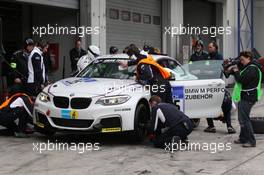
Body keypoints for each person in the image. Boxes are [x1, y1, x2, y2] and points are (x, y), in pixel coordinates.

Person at [232, 51, 262, 147]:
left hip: (248, 97)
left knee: (245, 119)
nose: (241, 62)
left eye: (242, 60)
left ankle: (251, 141)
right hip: (245, 95)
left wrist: (236, 71)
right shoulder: (249, 67)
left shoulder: (252, 68)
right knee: (242, 118)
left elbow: (242, 80)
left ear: (248, 58)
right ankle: (243, 138)